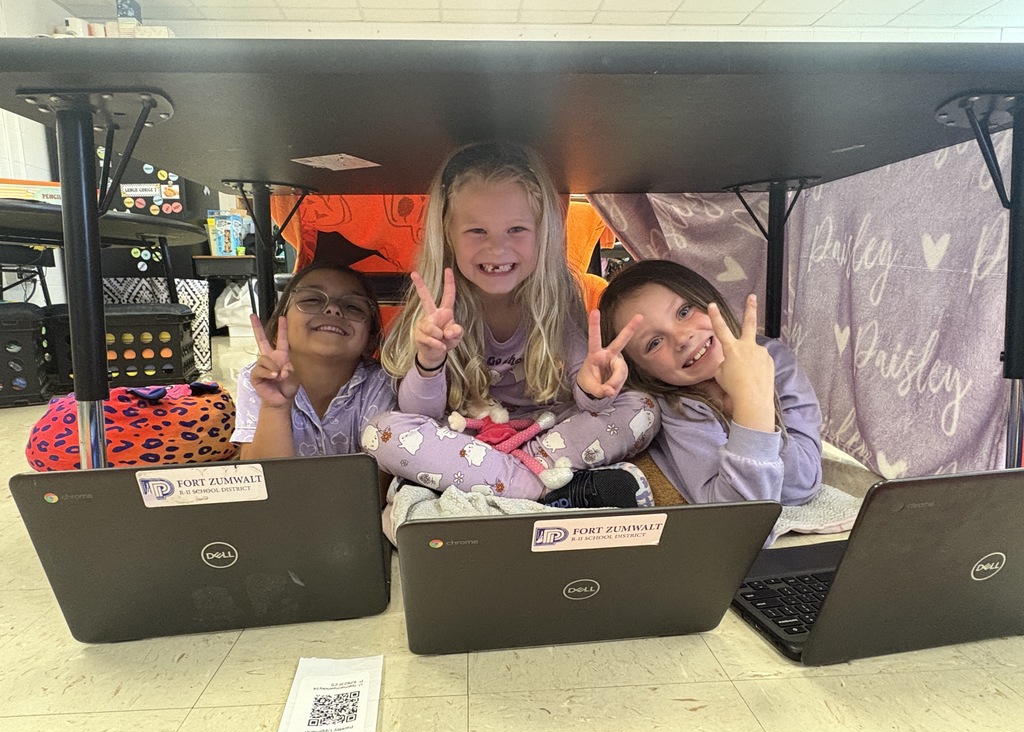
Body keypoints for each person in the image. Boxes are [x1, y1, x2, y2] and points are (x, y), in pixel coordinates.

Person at [360, 140, 659, 507]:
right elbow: (419, 416)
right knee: (381, 432)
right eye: (477, 232)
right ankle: (539, 489)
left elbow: (588, 403)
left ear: (542, 233)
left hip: (545, 433)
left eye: (516, 230)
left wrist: (592, 386)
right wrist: (429, 362)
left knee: (642, 408)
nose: (497, 249)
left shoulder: (555, 298)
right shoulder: (434, 307)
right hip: (466, 438)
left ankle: (505, 482)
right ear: (449, 237)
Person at [598, 259, 822, 506]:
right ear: (645, 374)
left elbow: (802, 485)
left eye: (684, 312)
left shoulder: (775, 359)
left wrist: (754, 403)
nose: (681, 338)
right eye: (654, 343)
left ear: (708, 297)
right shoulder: (674, 404)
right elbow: (736, 516)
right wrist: (750, 408)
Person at [231, 264, 396, 459]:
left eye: (353, 306)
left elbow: (379, 481)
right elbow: (260, 478)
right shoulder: (260, 379)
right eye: (312, 299)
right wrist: (274, 407)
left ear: (370, 339)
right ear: (277, 330)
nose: (333, 309)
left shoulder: (382, 383)